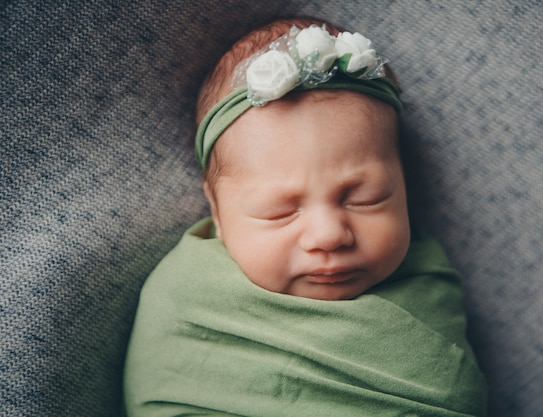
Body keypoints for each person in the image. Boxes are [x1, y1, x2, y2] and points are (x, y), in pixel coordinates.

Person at [124, 17, 488, 416]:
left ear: (403, 185)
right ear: (217, 211)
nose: (328, 235)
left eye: (366, 198)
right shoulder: (189, 299)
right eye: (279, 211)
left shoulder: (426, 277)